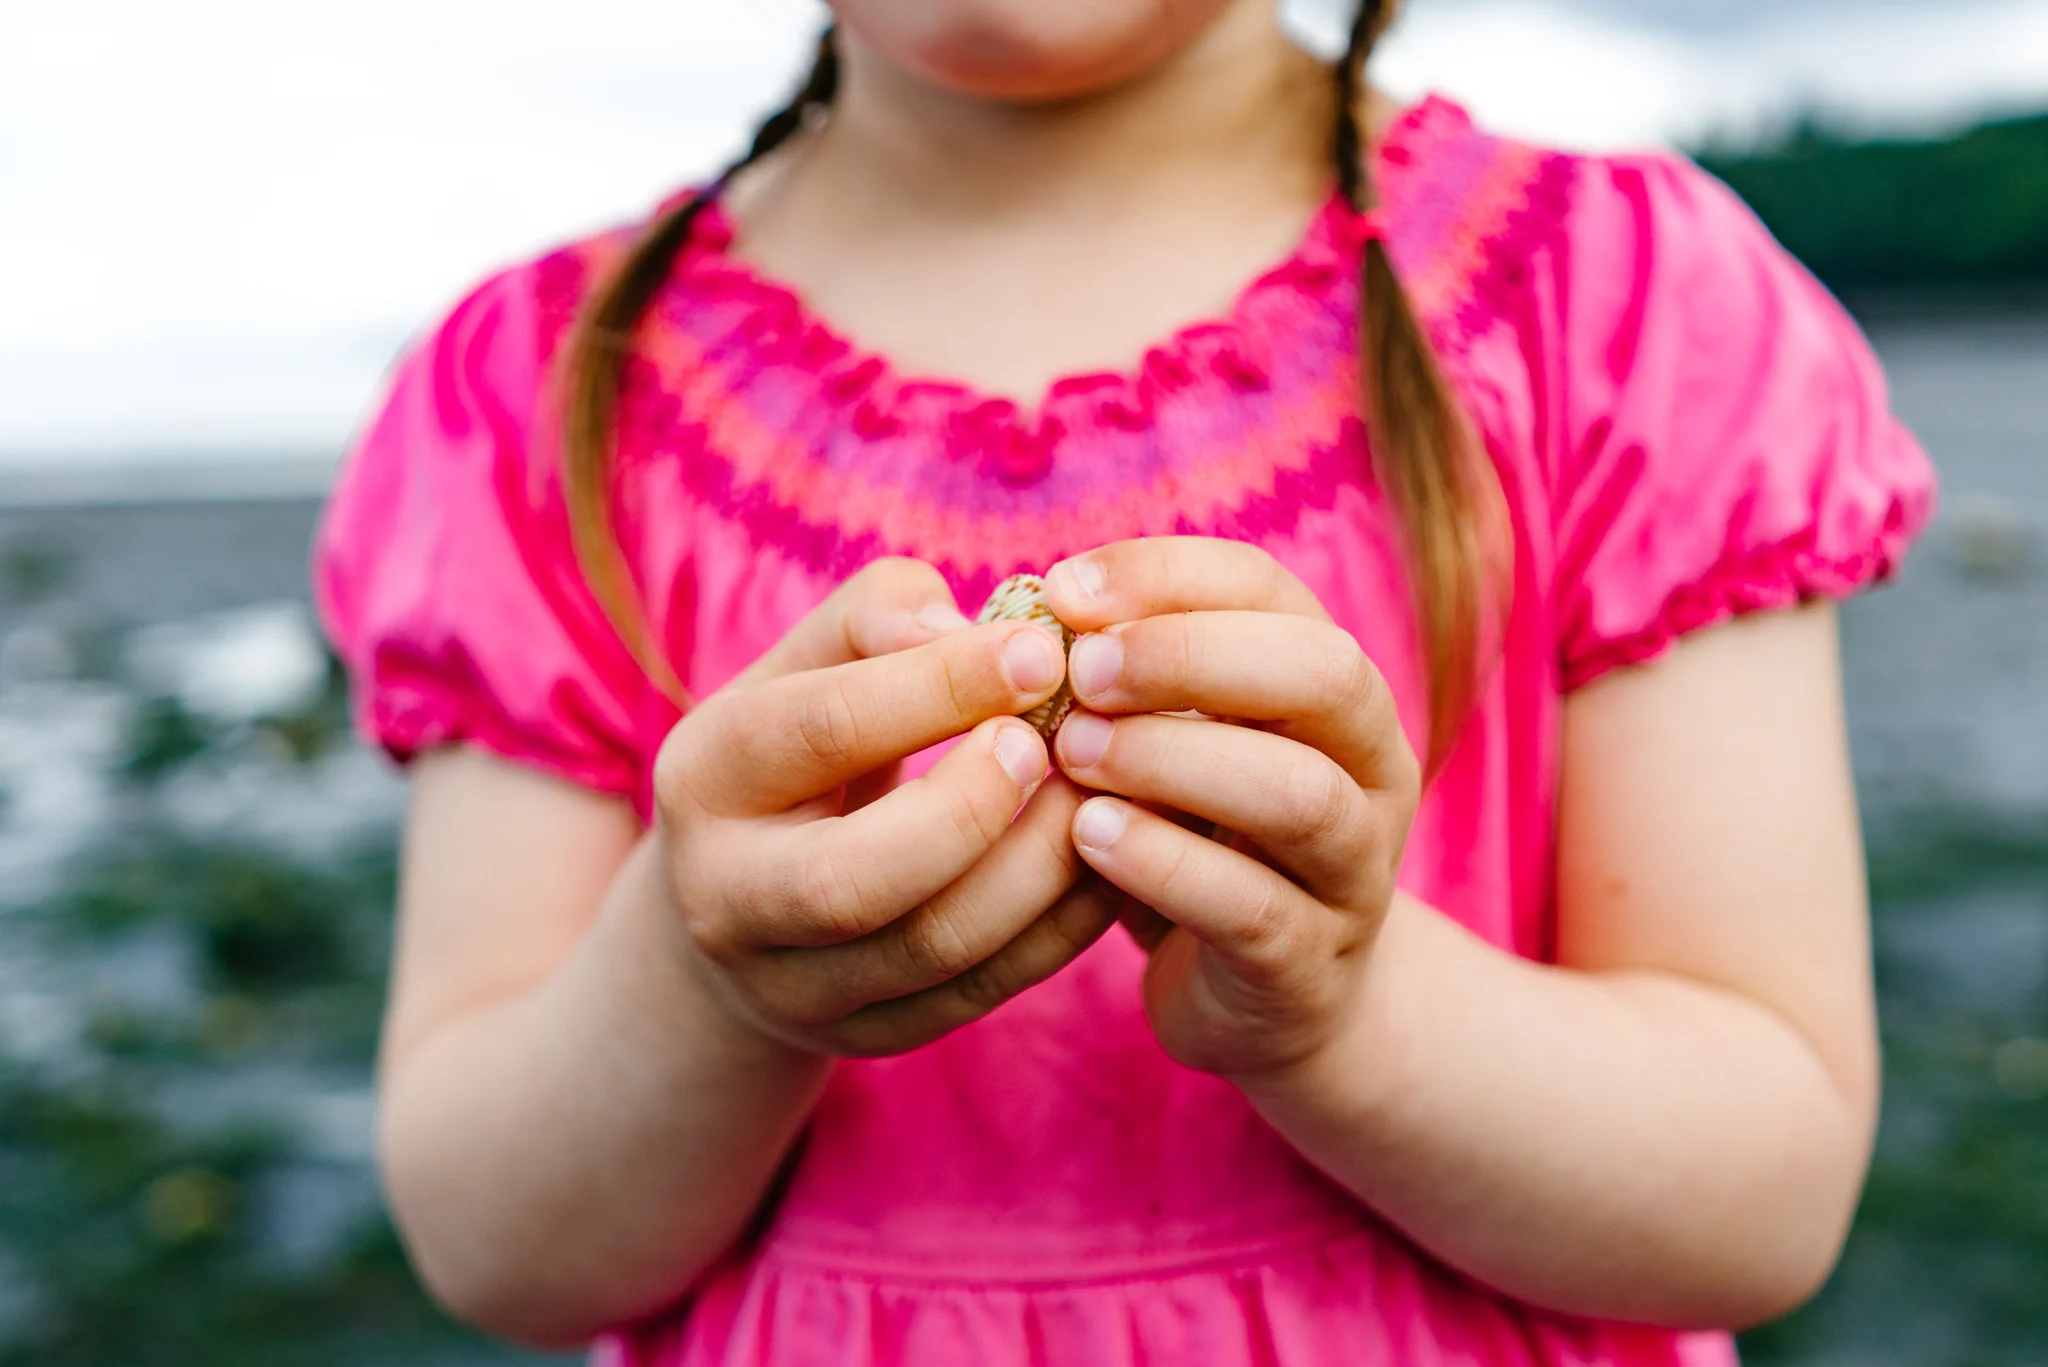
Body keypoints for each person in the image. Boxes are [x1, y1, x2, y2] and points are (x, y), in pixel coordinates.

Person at [313, 1, 1937, 1363]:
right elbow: (498, 1242)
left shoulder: (1622, 311)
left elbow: (1763, 1194)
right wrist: (695, 974)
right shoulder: (538, 398)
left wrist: (1350, 1009)